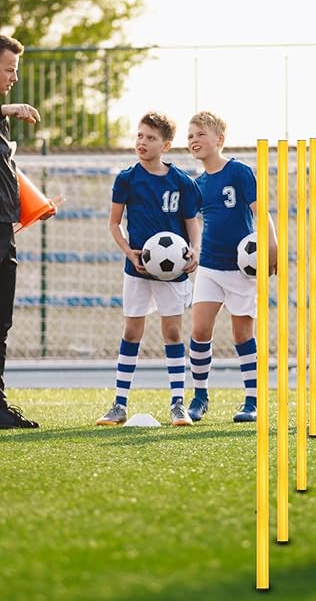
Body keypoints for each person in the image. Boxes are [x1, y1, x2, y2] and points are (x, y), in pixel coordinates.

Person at [96, 111, 201, 427]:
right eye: (140, 136)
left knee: (172, 332)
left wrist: (195, 250)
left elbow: (192, 223)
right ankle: (119, 404)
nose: (142, 142)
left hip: (171, 273)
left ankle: (177, 404)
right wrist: (129, 251)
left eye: (151, 138)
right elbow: (114, 223)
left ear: (166, 145)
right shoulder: (126, 178)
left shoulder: (182, 182)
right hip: (138, 270)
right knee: (131, 330)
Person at [186, 111, 277, 423]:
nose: (194, 140)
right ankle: (199, 396)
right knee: (199, 329)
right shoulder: (197, 184)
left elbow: (261, 212)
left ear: (219, 140)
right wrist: (191, 252)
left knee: (242, 333)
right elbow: (191, 224)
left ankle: (252, 400)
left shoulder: (239, 171)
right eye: (190, 136)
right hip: (210, 265)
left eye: (200, 134)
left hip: (242, 267)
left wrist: (272, 246)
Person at [0, 34, 53, 429]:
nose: (14, 77)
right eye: (9, 69)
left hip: (5, 229)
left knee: (1, 321)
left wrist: (32, 202)